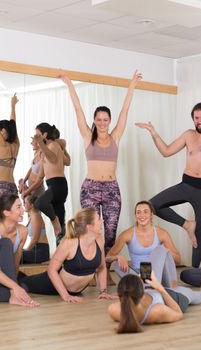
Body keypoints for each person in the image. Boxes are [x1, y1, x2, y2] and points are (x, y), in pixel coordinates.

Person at [136, 102, 201, 267]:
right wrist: (154, 133)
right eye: (196, 118)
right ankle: (187, 225)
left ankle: (194, 271)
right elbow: (166, 151)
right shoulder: (188, 135)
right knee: (152, 205)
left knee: (200, 232)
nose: (200, 121)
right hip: (186, 185)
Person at [59, 70, 141, 259]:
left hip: (112, 189)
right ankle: (92, 269)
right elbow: (78, 109)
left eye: (105, 120)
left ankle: (104, 268)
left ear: (109, 121)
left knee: (110, 233)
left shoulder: (116, 137)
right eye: (99, 119)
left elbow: (124, 111)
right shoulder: (88, 137)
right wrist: (69, 84)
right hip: (91, 189)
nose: (102, 123)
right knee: (91, 232)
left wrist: (132, 84)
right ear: (94, 121)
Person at [20, 208, 117, 302]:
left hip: (76, 291)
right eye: (99, 219)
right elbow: (51, 270)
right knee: (23, 283)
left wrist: (103, 292)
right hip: (51, 284)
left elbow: (102, 267)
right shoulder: (69, 243)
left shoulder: (99, 240)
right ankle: (17, 277)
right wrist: (65, 296)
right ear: (89, 227)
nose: (102, 221)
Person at [106, 201, 181, 287]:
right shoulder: (127, 234)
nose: (142, 215)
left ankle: (148, 285)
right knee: (116, 263)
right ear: (135, 215)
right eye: (138, 212)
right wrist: (118, 257)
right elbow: (107, 258)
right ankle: (144, 284)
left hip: (155, 272)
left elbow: (178, 259)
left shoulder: (161, 233)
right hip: (136, 273)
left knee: (164, 253)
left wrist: (163, 252)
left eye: (145, 212)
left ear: (151, 215)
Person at [108, 270, 201, 332]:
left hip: (154, 291)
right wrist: (160, 288)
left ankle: (171, 282)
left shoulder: (113, 310)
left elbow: (127, 298)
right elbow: (179, 314)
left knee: (162, 253)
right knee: (195, 295)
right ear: (142, 294)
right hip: (174, 298)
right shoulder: (158, 310)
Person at [32, 123, 69, 242]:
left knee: (39, 203)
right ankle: (62, 254)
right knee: (60, 226)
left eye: (38, 135)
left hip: (58, 184)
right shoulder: (45, 151)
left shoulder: (54, 145)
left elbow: (53, 159)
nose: (36, 137)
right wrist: (27, 189)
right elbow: (40, 176)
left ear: (45, 134)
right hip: (51, 184)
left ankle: (55, 221)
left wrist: (62, 147)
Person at [21, 194, 49, 264]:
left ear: (32, 205)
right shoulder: (32, 216)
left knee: (15, 255)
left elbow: (35, 239)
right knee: (14, 253)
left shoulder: (36, 216)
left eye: (25, 203)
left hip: (41, 251)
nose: (23, 205)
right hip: (35, 249)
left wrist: (26, 250)